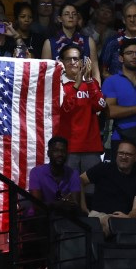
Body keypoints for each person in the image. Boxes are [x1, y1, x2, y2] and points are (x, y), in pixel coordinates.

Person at [55, 44, 106, 185]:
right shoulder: (57, 84)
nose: (73, 62)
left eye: (76, 59)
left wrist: (88, 81)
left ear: (83, 62)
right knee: (66, 189)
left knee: (92, 190)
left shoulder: (91, 83)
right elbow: (65, 109)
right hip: (67, 148)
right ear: (62, 62)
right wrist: (76, 85)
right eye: (69, 59)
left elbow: (100, 106)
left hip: (91, 146)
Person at [80, 139, 136, 236]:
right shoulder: (103, 168)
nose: (123, 157)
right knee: (111, 224)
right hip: (99, 215)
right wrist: (83, 206)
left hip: (125, 218)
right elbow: (79, 181)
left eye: (128, 154)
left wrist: (129, 217)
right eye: (121, 153)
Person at [41, 4, 100, 82]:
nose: (71, 16)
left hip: (84, 89)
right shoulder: (49, 43)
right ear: (60, 19)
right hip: (59, 88)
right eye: (66, 14)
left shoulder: (89, 42)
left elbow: (95, 72)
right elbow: (45, 73)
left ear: (77, 18)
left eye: (74, 14)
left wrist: (97, 91)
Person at [28, 136, 82, 213]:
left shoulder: (73, 174)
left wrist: (51, 205)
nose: (60, 154)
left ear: (67, 154)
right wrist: (61, 204)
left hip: (65, 219)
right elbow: (37, 206)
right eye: (56, 151)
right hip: (40, 219)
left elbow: (75, 205)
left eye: (63, 151)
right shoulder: (36, 172)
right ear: (48, 153)